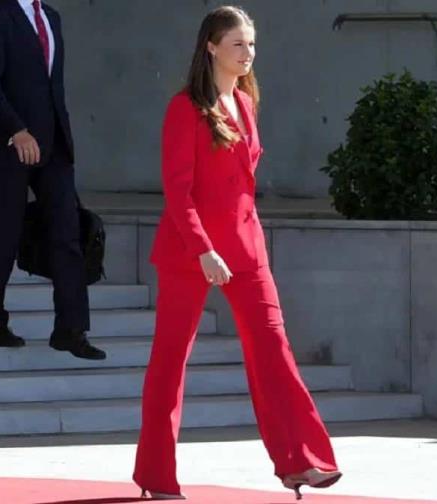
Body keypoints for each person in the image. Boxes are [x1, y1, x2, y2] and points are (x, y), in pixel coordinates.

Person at [132, 6, 341, 500]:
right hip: (190, 251)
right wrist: (203, 249)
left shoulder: (246, 105)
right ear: (211, 47)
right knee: (170, 363)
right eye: (237, 45)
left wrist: (239, 247)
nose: (248, 55)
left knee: (274, 350)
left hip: (247, 249)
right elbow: (178, 192)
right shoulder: (184, 108)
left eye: (251, 45)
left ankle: (301, 462)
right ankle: (156, 477)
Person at [0, 0, 105, 360]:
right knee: (4, 235)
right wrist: (17, 130)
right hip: (9, 144)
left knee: (68, 234)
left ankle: (71, 330)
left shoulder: (52, 18)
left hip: (55, 144)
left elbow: (49, 85)